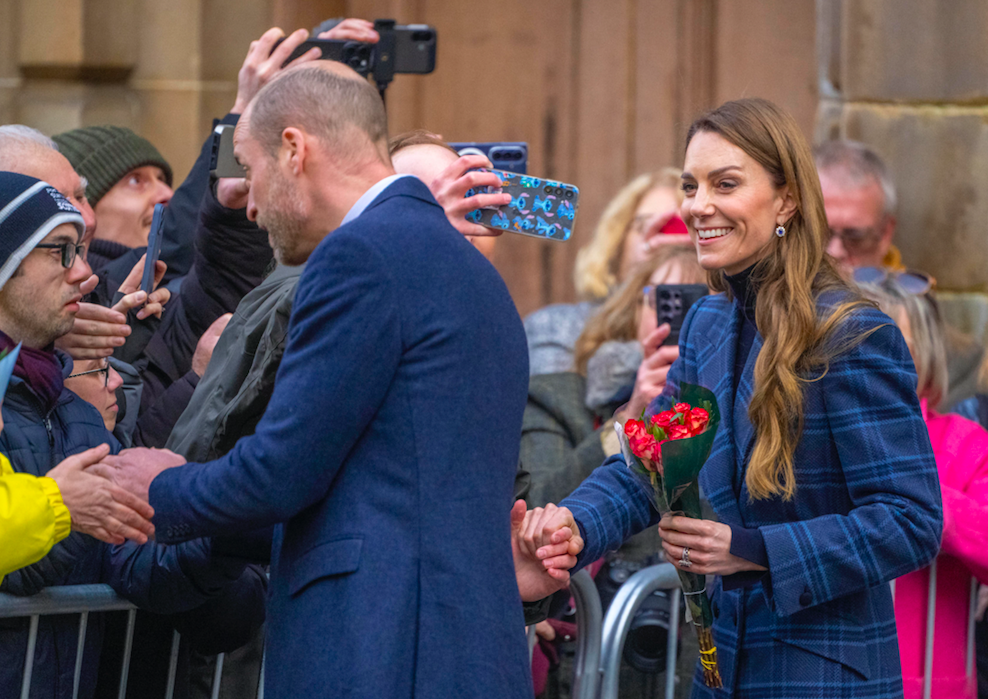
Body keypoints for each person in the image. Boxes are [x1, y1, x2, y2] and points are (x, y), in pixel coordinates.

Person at [92, 63, 535, 699]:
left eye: (251, 171)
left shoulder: (359, 255)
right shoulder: (461, 264)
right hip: (453, 649)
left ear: (294, 150)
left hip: (384, 652)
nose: (250, 205)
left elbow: (281, 473)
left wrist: (160, 486)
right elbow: (365, 493)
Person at [519, 98, 943, 697]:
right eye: (690, 186)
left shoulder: (853, 333)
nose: (698, 205)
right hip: (721, 671)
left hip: (823, 677)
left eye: (725, 184)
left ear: (787, 200)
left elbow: (911, 521)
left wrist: (754, 550)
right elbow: (651, 466)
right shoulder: (708, 325)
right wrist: (572, 526)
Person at [0, 172, 264, 699]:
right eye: (61, 252)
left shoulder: (71, 409)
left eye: (81, 251)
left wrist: (230, 522)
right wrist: (61, 505)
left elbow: (129, 556)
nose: (84, 274)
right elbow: (19, 575)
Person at [856, 273, 988, 698]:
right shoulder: (809, 440)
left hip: (932, 683)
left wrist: (923, 499)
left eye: (887, 345)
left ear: (925, 356)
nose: (864, 362)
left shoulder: (964, 442)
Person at [524, 246, 704, 510]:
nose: (679, 320)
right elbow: (538, 509)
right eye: (665, 300)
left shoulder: (742, 401)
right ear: (634, 309)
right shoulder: (554, 398)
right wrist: (629, 419)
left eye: (697, 303)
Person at [815, 139, 985, 409]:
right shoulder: (757, 319)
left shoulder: (952, 358)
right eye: (817, 232)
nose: (834, 251)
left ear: (885, 234)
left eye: (855, 236)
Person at [525, 168, 689, 375]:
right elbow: (553, 392)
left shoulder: (719, 325)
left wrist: (690, 266)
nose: (662, 241)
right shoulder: (558, 326)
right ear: (617, 242)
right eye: (644, 225)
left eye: (678, 227)